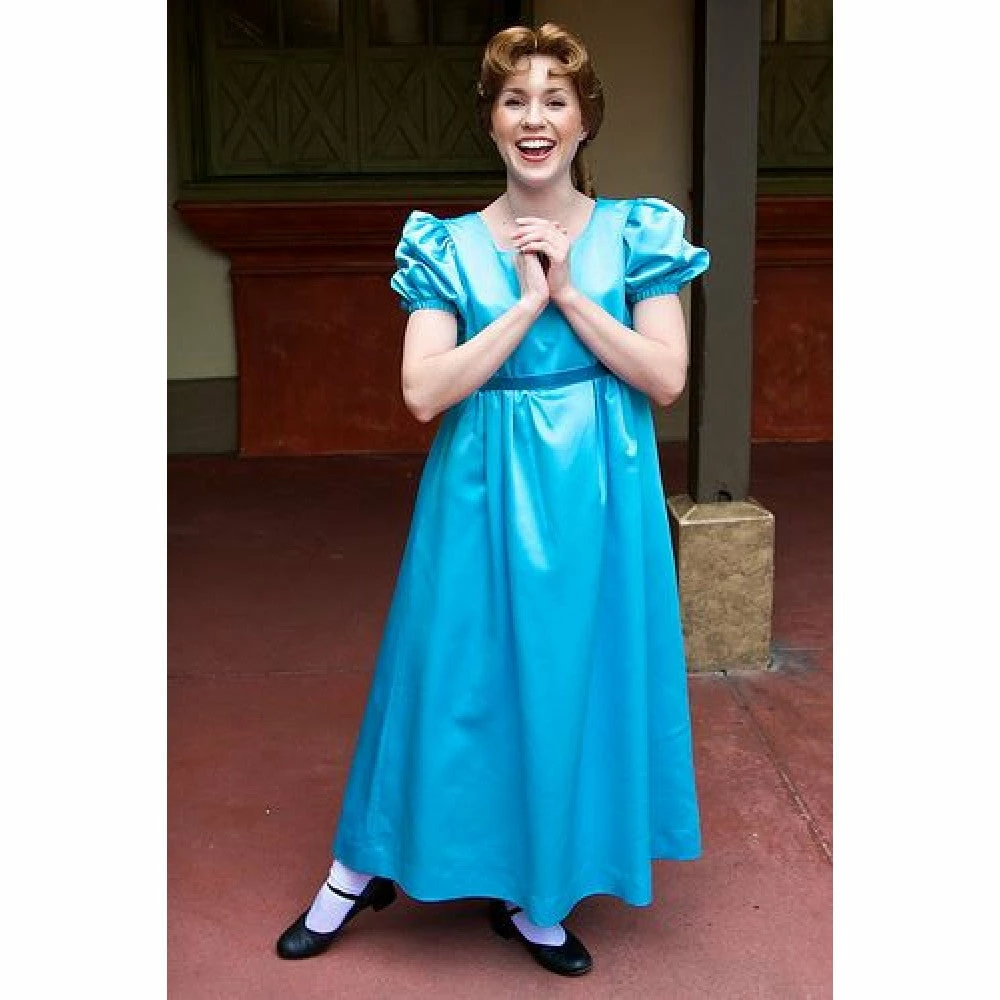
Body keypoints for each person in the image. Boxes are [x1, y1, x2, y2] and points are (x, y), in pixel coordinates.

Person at [276, 21, 709, 978]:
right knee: (444, 672)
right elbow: (424, 391)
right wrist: (521, 304)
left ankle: (534, 892)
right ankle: (359, 868)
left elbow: (665, 377)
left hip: (599, 495)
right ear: (491, 122)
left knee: (567, 680)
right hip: (479, 489)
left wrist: (570, 295)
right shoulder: (447, 245)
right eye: (516, 100)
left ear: (585, 120)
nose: (535, 118)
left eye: (556, 100)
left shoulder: (638, 231)